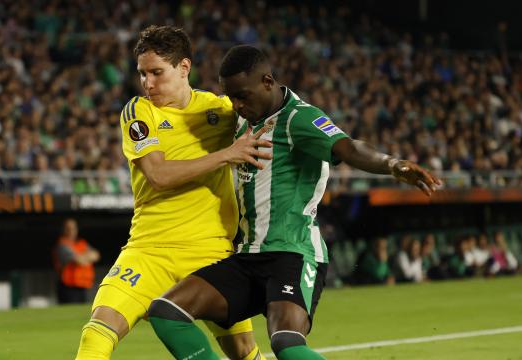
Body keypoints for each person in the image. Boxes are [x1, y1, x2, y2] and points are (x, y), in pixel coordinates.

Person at [148, 45, 441, 360]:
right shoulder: (245, 120)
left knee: (285, 343)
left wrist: (392, 164)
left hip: (293, 254)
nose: (237, 104)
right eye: (231, 96)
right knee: (167, 311)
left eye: (243, 95)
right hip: (248, 257)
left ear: (268, 82)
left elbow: (349, 148)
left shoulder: (298, 118)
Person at [75, 27, 270, 360]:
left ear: (184, 68)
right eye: (142, 74)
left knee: (243, 351)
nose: (148, 83)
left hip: (212, 251)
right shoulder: (139, 112)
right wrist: (227, 154)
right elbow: (158, 176)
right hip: (149, 250)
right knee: (96, 333)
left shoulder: (222, 111)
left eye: (156, 73)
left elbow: (273, 120)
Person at [53, 218, 100, 304]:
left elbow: (96, 255)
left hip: (83, 285)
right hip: (68, 287)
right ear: (63, 230)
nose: (71, 231)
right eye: (68, 228)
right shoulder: (62, 245)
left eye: (73, 228)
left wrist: (84, 257)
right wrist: (87, 257)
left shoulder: (82, 243)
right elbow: (79, 260)